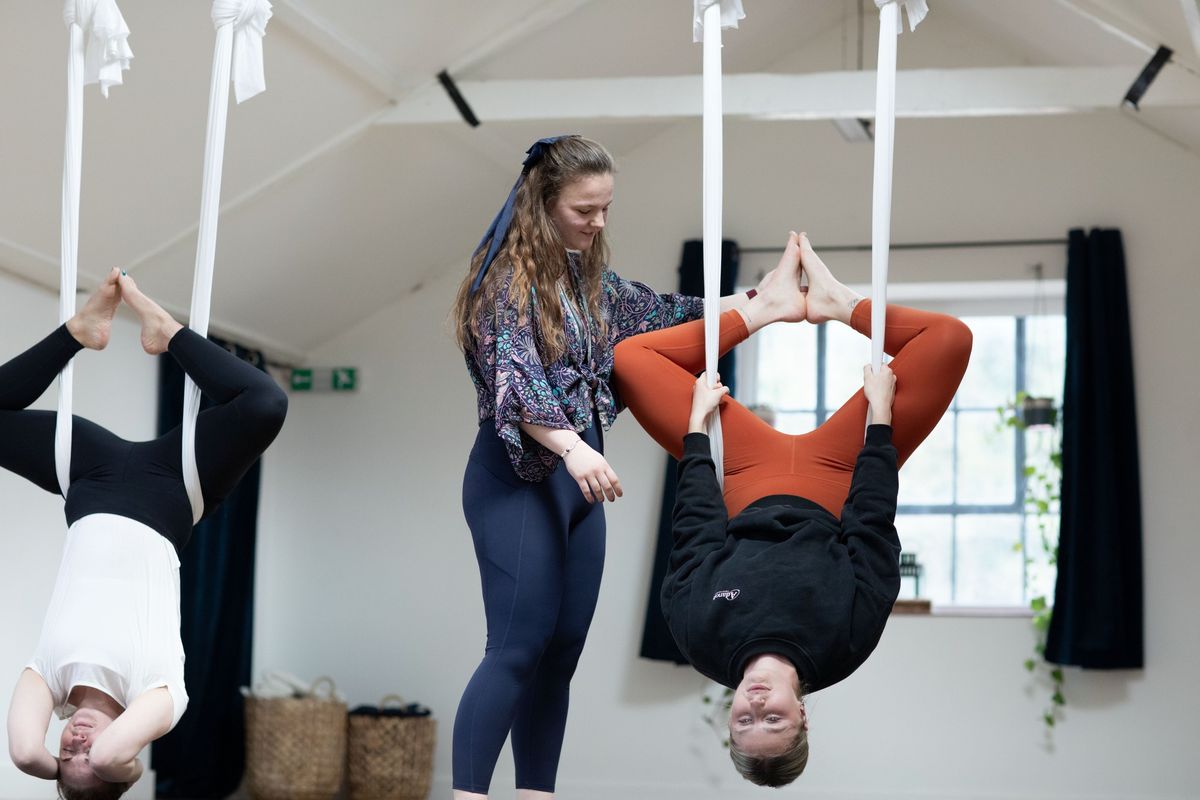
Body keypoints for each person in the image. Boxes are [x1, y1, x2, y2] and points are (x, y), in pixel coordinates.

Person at [448, 135, 771, 799]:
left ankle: (536, 792)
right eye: (583, 209)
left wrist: (759, 305)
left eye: (605, 209)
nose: (597, 223)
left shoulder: (591, 283)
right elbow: (516, 384)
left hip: (578, 494)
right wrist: (573, 446)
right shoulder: (504, 285)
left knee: (560, 656)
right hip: (518, 485)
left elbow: (668, 318)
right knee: (516, 647)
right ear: (542, 205)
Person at [613, 232, 972, 787]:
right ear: (802, 715)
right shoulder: (844, 645)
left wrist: (696, 430)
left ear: (728, 720)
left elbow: (695, 534)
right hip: (841, 474)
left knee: (632, 358)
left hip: (740, 472)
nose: (755, 705)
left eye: (744, 721)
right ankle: (842, 306)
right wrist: (880, 421)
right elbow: (870, 530)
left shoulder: (701, 640)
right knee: (948, 338)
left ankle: (765, 309)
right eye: (772, 718)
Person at [3, 269, 287, 797]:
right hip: (173, 491)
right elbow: (111, 756)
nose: (78, 745)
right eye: (93, 756)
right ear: (123, 753)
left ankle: (80, 330)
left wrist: (47, 770)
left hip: (87, 479)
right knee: (266, 404)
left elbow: (24, 752)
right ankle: (168, 333)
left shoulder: (50, 679)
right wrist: (119, 770)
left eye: (66, 755)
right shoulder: (158, 695)